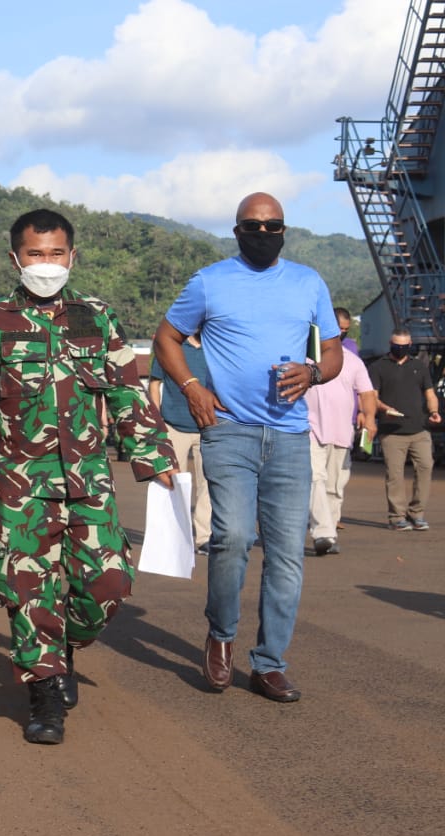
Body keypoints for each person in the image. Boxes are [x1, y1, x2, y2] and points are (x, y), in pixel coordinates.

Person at [0, 208, 176, 746]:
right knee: (28, 590)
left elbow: (126, 391)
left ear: (72, 257)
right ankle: (45, 692)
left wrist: (155, 456)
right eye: (35, 254)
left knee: (110, 582)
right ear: (15, 258)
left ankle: (64, 643)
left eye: (56, 254)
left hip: (89, 479)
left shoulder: (96, 318)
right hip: (21, 483)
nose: (46, 265)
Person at [154, 191, 342, 705]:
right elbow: (166, 337)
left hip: (288, 436)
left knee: (285, 555)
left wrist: (315, 372)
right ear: (237, 230)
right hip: (229, 430)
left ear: (285, 230)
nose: (264, 233)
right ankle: (221, 635)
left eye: (273, 225)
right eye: (253, 226)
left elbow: (331, 350)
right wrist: (193, 388)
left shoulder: (308, 282)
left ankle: (269, 664)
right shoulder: (210, 281)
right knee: (233, 535)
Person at [304, 316, 377, 555]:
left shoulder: (354, 362)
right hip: (310, 429)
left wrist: (369, 418)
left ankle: (330, 534)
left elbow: (367, 393)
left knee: (335, 487)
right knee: (316, 479)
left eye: (345, 330)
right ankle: (322, 532)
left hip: (342, 433)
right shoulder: (305, 359)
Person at [367, 328, 441, 531]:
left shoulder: (419, 366)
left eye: (404, 346)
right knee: (394, 475)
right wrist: (384, 409)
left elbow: (430, 393)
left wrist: (434, 411)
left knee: (426, 467)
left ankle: (417, 513)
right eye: (396, 346)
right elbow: (372, 396)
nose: (400, 349)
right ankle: (397, 516)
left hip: (419, 429)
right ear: (390, 344)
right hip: (391, 432)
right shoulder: (378, 367)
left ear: (410, 346)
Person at [148, 332, 212, 554]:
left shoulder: (216, 346)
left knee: (208, 485)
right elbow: (154, 383)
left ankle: (204, 538)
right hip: (173, 425)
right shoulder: (170, 345)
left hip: (208, 426)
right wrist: (157, 422)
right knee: (174, 484)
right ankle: (176, 537)